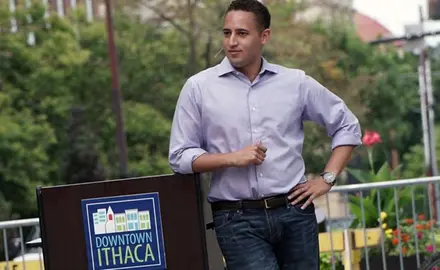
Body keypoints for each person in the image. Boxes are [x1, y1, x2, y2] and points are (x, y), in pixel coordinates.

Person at [168, 0, 362, 269]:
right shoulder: (198, 88)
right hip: (236, 219)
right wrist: (232, 158)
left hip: (295, 213)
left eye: (242, 33)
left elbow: (347, 126)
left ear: (264, 36)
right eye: (227, 33)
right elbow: (179, 156)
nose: (232, 41)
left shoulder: (295, 83)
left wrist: (327, 178)